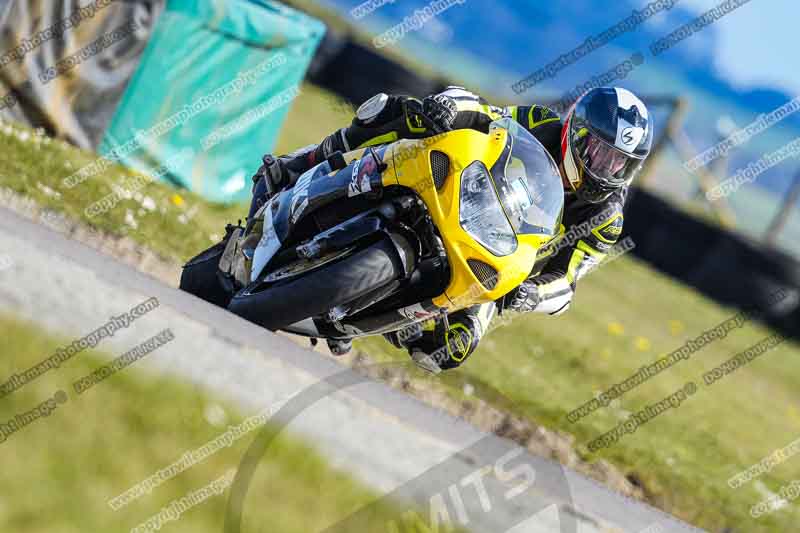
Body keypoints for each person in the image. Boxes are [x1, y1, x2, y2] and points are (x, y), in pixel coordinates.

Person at [250, 86, 653, 372]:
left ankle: (373, 313)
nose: (606, 169)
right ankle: (299, 165)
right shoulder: (541, 123)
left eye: (620, 163)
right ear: (576, 133)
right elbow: (487, 115)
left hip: (498, 263)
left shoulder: (607, 219)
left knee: (447, 351)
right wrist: (448, 106)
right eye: (600, 151)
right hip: (468, 195)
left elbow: (565, 284)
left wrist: (532, 295)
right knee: (396, 112)